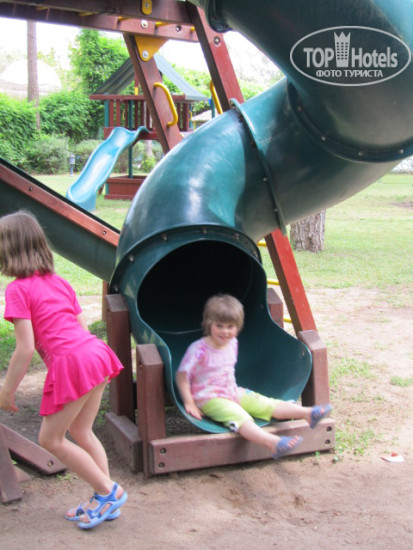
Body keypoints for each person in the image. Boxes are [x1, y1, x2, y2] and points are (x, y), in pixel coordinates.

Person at [0, 210, 127, 529]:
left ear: (7, 251)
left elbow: (25, 348)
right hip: (96, 354)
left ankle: (108, 492)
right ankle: (104, 498)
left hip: (73, 362)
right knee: (81, 431)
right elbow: (81, 328)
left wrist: (7, 390)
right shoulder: (60, 282)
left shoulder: (17, 290)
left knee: (50, 438)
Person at [176, 294, 332, 460]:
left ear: (238, 327)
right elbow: (182, 375)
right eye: (219, 325)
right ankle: (273, 443)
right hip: (209, 398)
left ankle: (308, 413)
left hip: (232, 391)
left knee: (265, 403)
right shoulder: (199, 349)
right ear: (209, 324)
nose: (225, 331)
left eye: (230, 327)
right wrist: (189, 401)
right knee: (240, 416)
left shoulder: (232, 343)